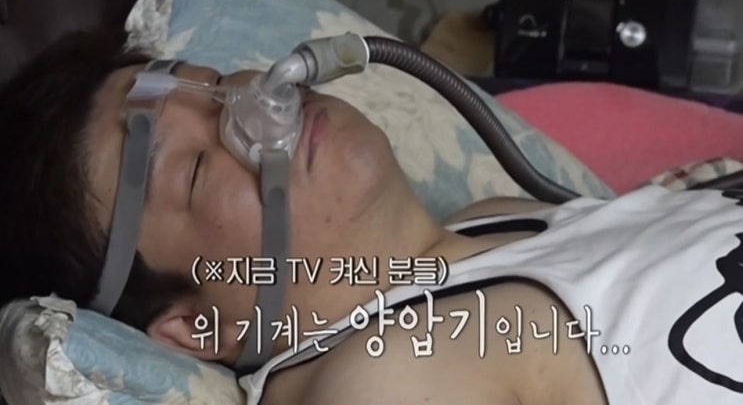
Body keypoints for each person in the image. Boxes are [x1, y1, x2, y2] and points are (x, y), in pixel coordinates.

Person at [1, 28, 742, 405]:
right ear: (199, 326)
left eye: (220, 84)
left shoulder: (493, 223)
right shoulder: (383, 383)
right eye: (195, 168)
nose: (258, 104)